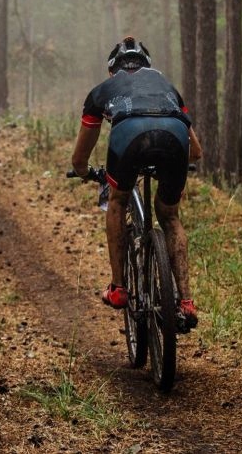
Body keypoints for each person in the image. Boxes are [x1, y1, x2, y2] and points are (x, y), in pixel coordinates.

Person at [71, 36, 203, 328]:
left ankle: (118, 288)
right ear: (147, 66)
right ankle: (186, 301)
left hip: (128, 134)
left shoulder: (102, 91)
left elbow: (79, 158)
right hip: (175, 136)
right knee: (170, 216)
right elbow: (196, 152)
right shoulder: (167, 87)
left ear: (112, 70)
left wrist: (84, 172)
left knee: (118, 200)